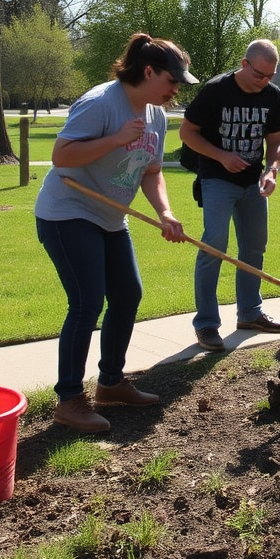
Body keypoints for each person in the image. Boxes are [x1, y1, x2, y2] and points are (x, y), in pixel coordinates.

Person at [35, 33, 198, 433]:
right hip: (68, 213)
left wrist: (165, 212)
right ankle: (69, 400)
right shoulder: (100, 103)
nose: (176, 90)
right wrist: (115, 139)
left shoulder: (156, 116)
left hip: (110, 217)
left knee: (127, 295)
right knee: (87, 302)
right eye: (172, 81)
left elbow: (151, 172)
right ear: (149, 72)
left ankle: (110, 383)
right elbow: (61, 156)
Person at [179, 40, 280, 352]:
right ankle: (206, 324)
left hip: (253, 182)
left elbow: (276, 143)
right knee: (214, 245)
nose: (264, 81)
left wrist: (272, 170)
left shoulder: (273, 96)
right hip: (217, 178)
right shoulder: (215, 91)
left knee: (254, 247)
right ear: (244, 64)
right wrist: (221, 156)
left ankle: (250, 313)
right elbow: (187, 133)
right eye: (259, 74)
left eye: (270, 76)